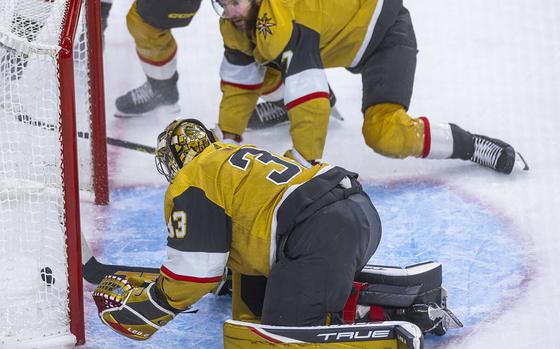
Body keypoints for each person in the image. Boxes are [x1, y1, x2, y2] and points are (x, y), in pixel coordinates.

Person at [92, 118, 391, 347]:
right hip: (358, 212)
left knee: (277, 339)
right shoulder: (232, 153)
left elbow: (195, 273)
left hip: (319, 236)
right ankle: (349, 299)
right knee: (263, 311)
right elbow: (253, 223)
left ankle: (361, 311)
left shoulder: (191, 178)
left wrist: (152, 305)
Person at [212, 0, 527, 174]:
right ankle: (290, 99)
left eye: (235, 2)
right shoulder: (242, 22)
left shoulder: (284, 17)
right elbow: (239, 84)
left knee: (384, 134)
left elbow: (310, 104)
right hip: (335, 41)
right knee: (257, 59)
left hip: (384, 36)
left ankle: (470, 145)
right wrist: (227, 138)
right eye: (222, 3)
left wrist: (302, 165)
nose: (228, 12)